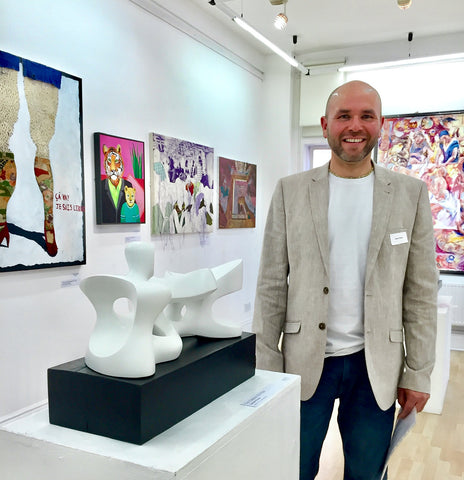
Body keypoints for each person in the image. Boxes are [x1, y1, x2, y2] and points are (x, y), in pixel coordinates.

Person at [252, 80, 438, 480]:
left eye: (366, 116)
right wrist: (265, 365)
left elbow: (420, 291)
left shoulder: (410, 194)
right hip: (302, 364)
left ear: (380, 124)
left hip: (377, 367)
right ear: (325, 125)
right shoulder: (290, 192)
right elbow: (270, 285)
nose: (355, 126)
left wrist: (418, 372)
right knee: (292, 469)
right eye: (344, 116)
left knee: (367, 473)